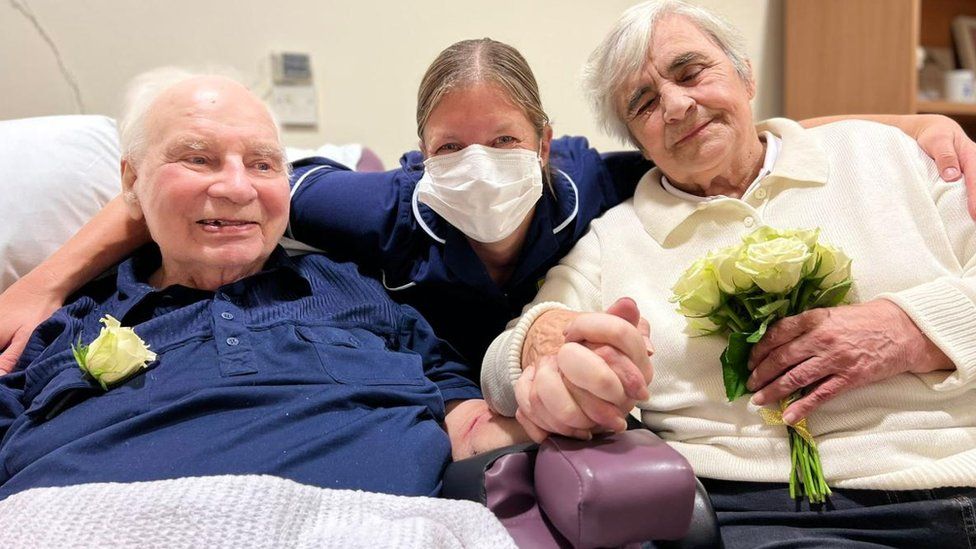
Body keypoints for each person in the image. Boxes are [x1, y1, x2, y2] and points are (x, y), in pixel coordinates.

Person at [1, 38, 975, 439]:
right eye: (446, 148)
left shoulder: (597, 177)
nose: (476, 163)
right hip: (465, 395)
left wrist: (920, 125)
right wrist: (42, 285)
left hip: (563, 406)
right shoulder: (371, 206)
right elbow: (198, 192)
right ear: (415, 159)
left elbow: (743, 134)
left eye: (502, 142)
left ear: (546, 144)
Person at [480, 1, 976, 546]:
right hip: (762, 518)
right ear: (637, 141)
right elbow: (506, 362)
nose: (675, 105)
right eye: (644, 104)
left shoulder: (894, 157)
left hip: (958, 477)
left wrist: (908, 331)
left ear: (745, 75)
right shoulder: (616, 238)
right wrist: (543, 345)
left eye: (691, 73)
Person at [0, 70, 536, 500]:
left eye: (262, 163)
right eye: (197, 158)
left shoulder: (364, 295)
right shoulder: (54, 330)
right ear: (131, 182)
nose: (237, 187)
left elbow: (467, 427)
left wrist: (558, 404)